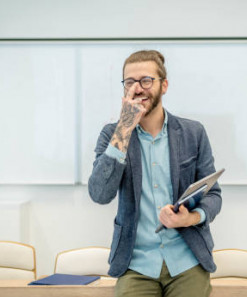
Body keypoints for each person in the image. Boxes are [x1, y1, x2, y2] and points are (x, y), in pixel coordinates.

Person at [88, 50, 222, 297]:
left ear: (164, 85)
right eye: (130, 82)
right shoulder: (113, 134)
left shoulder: (193, 133)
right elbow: (99, 194)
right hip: (136, 263)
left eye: (146, 80)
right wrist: (125, 128)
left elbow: (213, 195)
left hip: (187, 259)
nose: (138, 89)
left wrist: (190, 218)